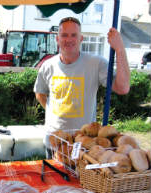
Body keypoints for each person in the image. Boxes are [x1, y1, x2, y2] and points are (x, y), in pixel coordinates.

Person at [33, 17, 130, 157]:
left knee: (82, 179)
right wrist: (54, 113)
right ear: (57, 38)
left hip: (84, 143)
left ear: (81, 38)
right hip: (54, 141)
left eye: (74, 35)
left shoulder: (95, 63)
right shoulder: (48, 66)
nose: (69, 39)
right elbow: (40, 94)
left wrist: (119, 49)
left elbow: (123, 88)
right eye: (64, 35)